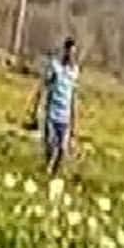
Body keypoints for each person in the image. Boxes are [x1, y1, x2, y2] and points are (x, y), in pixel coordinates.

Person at [31, 37, 81, 176]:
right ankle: (46, 169)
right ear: (65, 51)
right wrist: (36, 110)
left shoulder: (74, 72)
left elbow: (74, 97)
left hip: (65, 118)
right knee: (51, 147)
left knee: (63, 150)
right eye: (69, 52)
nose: (71, 56)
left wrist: (75, 122)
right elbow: (43, 88)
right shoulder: (55, 68)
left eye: (74, 53)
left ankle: (53, 175)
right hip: (52, 114)